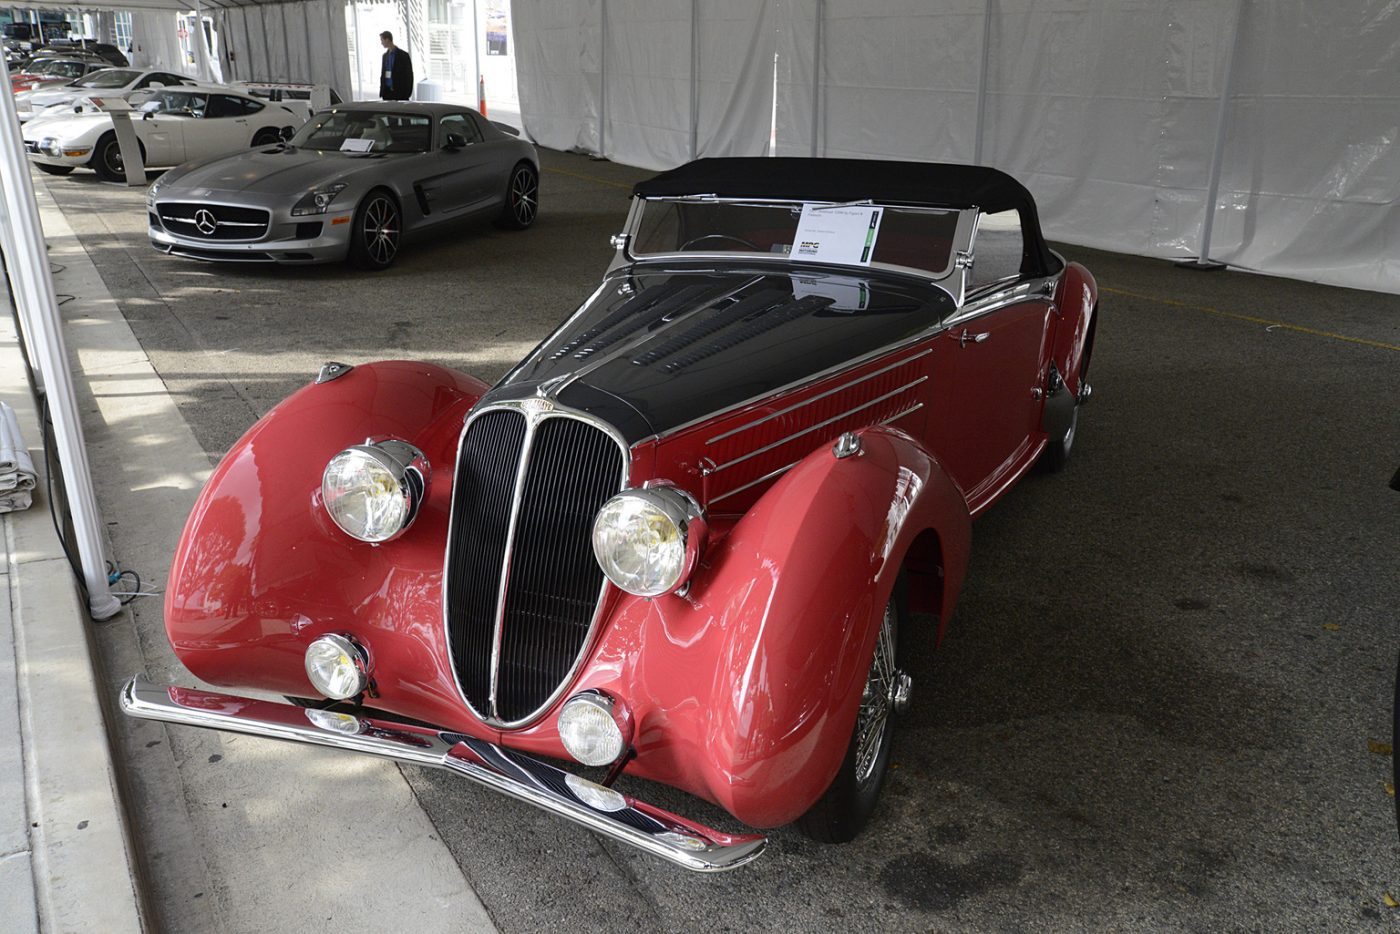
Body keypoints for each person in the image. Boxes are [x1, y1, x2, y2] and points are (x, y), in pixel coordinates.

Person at [379, 31, 413, 101]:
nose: (381, 43)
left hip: (400, 93)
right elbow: (383, 74)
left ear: (387, 39)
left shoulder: (403, 55)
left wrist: (407, 93)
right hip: (387, 93)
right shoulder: (385, 56)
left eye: (382, 40)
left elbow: (409, 75)